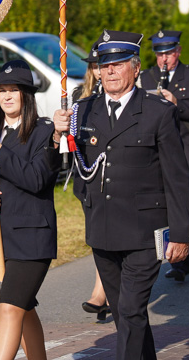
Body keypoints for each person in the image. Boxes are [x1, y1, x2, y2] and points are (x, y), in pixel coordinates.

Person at [52, 30, 189, 360]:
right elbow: (67, 165)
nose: (109, 71)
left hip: (144, 232)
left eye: (117, 63)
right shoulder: (83, 111)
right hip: (102, 230)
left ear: (136, 67)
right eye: (104, 64)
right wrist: (56, 133)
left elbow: (177, 177)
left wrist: (182, 235)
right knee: (126, 315)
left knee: (129, 310)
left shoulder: (158, 112)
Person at [0, 60, 61, 360]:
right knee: (23, 308)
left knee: (9, 308)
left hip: (31, 240)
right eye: (2, 90)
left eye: (13, 90)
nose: (6, 96)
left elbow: (37, 178)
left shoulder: (43, 132)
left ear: (26, 95)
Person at [140, 29, 189, 281]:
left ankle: (182, 259)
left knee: (184, 205)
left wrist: (177, 105)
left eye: (169, 53)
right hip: (156, 153)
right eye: (159, 53)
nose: (164, 59)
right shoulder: (146, 77)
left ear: (178, 51)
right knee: (162, 207)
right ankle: (177, 256)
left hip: (187, 150)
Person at [71, 35, 109, 319]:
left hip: (114, 174)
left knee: (113, 233)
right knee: (96, 235)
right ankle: (106, 288)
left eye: (103, 63)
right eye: (95, 65)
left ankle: (101, 292)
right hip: (87, 173)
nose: (99, 70)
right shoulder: (77, 96)